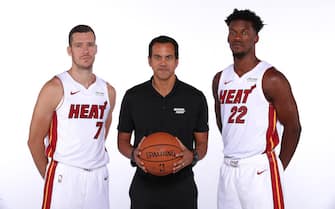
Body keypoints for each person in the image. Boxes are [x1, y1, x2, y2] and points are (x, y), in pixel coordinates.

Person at [212, 9, 301, 209]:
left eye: (244, 32)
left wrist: (277, 166)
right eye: (232, 32)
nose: (237, 37)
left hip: (259, 168)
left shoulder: (271, 78)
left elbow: (293, 127)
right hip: (228, 168)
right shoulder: (220, 78)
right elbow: (223, 122)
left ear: (256, 37)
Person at [27, 24, 116, 209]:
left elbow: (100, 135)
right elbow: (34, 140)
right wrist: (51, 175)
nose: (85, 50)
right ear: (70, 50)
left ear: (96, 49)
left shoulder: (108, 91)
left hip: (99, 176)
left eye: (90, 44)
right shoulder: (55, 88)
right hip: (65, 175)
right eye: (79, 45)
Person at [117, 35, 209, 209]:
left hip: (182, 188)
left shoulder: (194, 97)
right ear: (149, 61)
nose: (163, 63)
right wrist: (133, 154)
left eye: (168, 57)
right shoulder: (133, 97)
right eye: (157, 57)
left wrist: (194, 156)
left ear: (177, 61)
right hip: (144, 188)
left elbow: (203, 143)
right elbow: (122, 141)